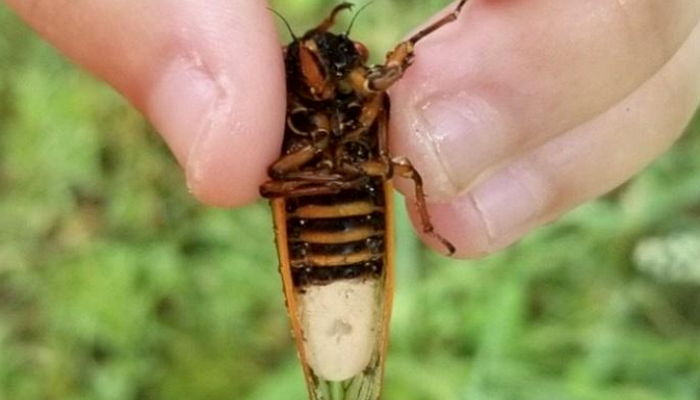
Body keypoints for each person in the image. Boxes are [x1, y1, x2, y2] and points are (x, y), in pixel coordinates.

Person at [6, 0, 700, 258]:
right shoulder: (314, 96)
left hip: (345, 189)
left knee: (403, 166)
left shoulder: (370, 96)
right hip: (325, 197)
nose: (336, 63)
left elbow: (393, 87)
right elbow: (272, 175)